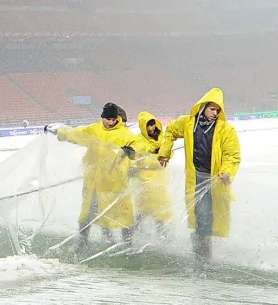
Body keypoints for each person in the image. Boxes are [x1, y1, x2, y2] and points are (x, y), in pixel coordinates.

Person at [158, 88, 242, 262]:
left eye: (218, 110)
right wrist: (165, 152)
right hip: (196, 179)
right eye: (212, 109)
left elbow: (232, 154)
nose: (215, 113)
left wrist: (226, 171)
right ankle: (202, 258)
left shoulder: (226, 130)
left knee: (212, 219)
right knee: (202, 218)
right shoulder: (188, 123)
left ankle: (204, 255)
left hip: (216, 180)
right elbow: (170, 131)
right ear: (203, 107)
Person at [51, 102, 140, 247]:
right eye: (108, 119)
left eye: (113, 119)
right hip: (93, 182)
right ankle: (83, 242)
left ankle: (128, 245)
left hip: (115, 183)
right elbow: (75, 134)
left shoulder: (125, 134)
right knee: (87, 213)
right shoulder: (94, 130)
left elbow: (139, 146)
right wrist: (59, 132)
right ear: (103, 117)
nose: (111, 122)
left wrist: (133, 156)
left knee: (125, 215)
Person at [130, 111, 174, 229]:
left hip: (159, 181)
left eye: (152, 124)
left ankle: (162, 234)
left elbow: (168, 154)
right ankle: (136, 231)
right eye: (147, 126)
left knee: (160, 210)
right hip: (144, 181)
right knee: (142, 209)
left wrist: (148, 160)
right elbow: (135, 158)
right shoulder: (138, 140)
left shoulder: (163, 138)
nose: (150, 128)